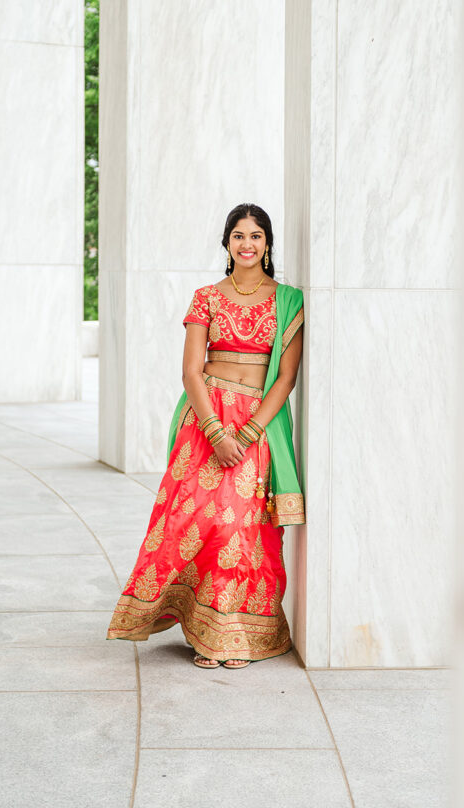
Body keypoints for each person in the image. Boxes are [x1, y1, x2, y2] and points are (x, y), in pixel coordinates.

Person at [106, 203, 305, 668]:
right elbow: (191, 371)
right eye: (239, 236)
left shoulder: (288, 300)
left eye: (255, 236)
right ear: (226, 243)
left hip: (257, 422)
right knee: (193, 523)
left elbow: (286, 378)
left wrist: (249, 431)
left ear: (268, 243)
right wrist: (216, 432)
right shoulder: (207, 298)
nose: (247, 244)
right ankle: (203, 630)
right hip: (206, 418)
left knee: (242, 528)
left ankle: (234, 634)